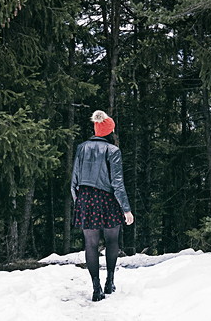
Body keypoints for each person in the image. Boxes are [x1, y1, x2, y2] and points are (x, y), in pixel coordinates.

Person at [70, 109, 135, 302]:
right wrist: (126, 208)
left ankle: (96, 288)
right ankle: (110, 282)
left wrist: (79, 203)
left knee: (90, 244)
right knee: (112, 241)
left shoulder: (82, 147)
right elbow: (117, 182)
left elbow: (74, 180)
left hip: (85, 198)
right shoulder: (113, 150)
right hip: (107, 199)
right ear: (110, 131)